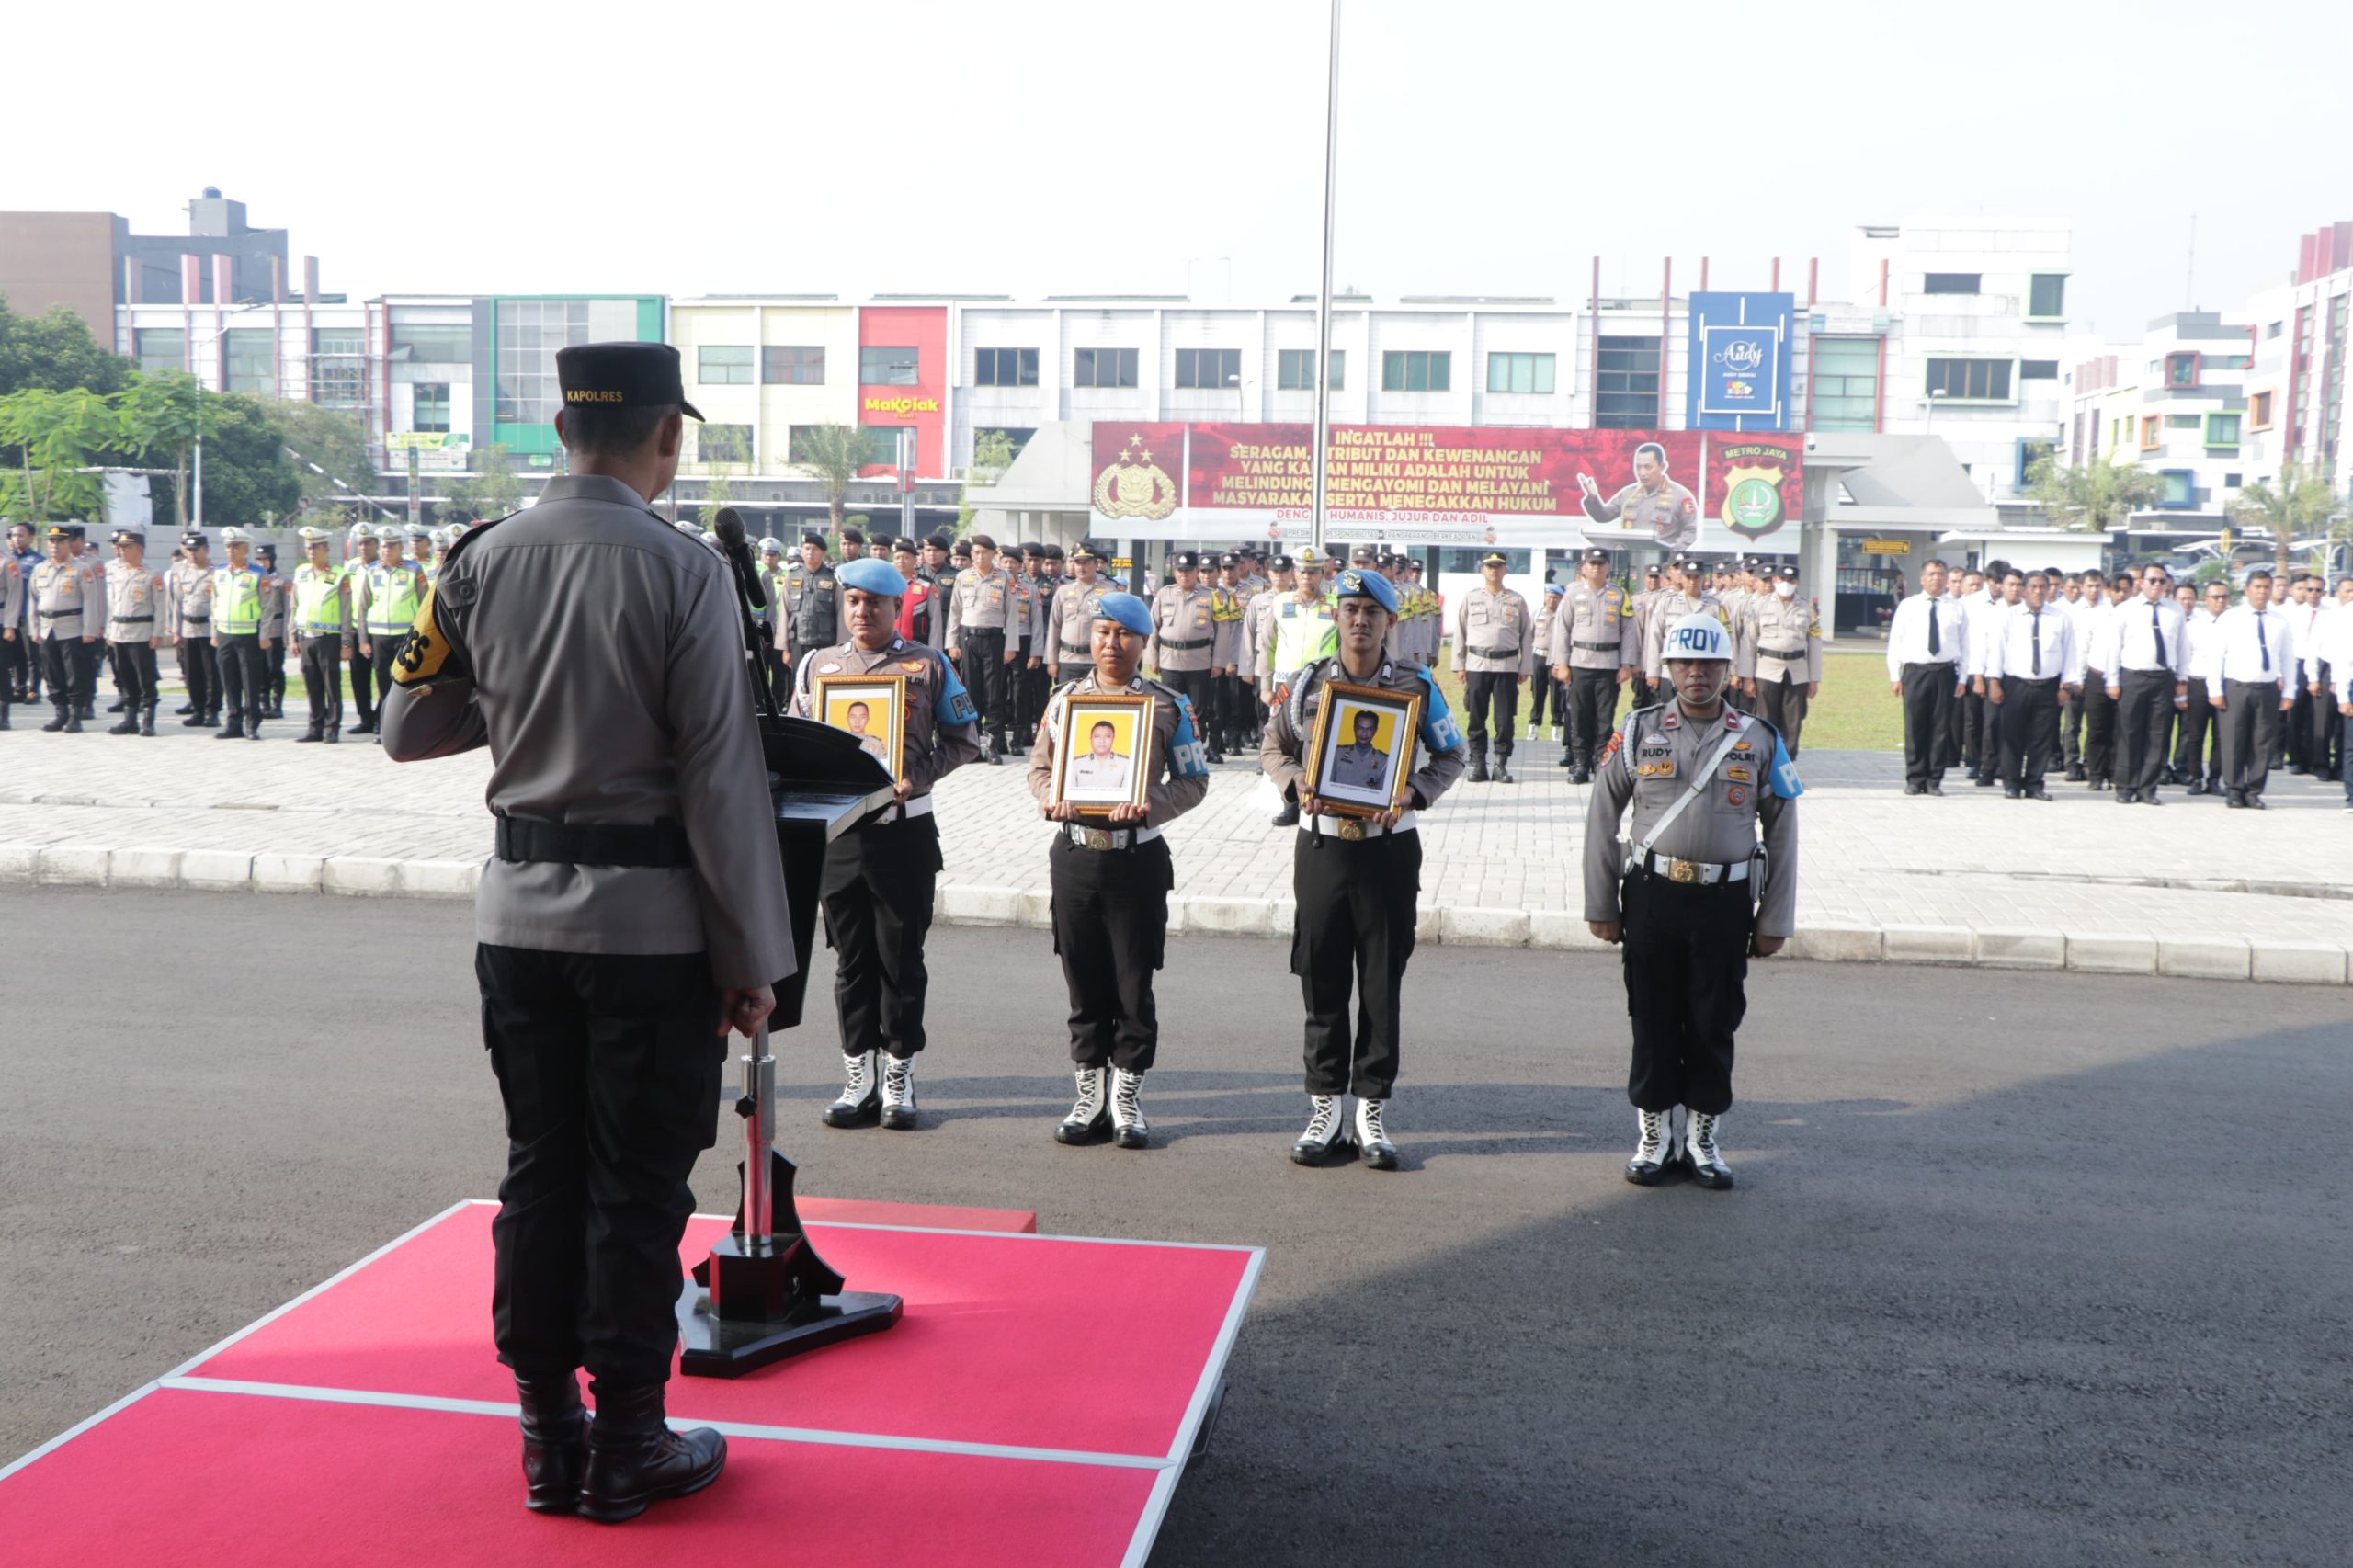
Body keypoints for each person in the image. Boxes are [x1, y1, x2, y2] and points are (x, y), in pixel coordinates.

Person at [381, 343, 786, 1524]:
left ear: (562, 425)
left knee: (538, 1173)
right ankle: (627, 1444)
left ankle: (548, 1439)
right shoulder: (685, 570)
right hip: (652, 934)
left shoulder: (478, 559)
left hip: (519, 923)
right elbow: (721, 778)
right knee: (637, 1186)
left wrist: (521, 702)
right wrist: (753, 957)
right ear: (670, 436)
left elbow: (409, 725)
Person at [1260, 566, 1467, 1171]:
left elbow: (1454, 753)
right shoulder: (1306, 685)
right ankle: (1325, 1108)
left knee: (1380, 982)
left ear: (1389, 623)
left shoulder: (1417, 685)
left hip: (1387, 851)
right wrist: (1297, 782)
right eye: (1349, 609)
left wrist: (1417, 794)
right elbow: (1273, 745)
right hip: (1323, 848)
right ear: (1336, 616)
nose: (1359, 620)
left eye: (1371, 612)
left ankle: (1371, 1110)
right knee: (1321, 977)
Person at [1585, 612, 1800, 1190]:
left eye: (1709, 663)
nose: (1697, 673)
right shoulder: (1636, 730)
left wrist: (1775, 918)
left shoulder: (1760, 738)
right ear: (1669, 668)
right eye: (1686, 662)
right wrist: (1601, 903)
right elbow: (1602, 816)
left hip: (1725, 902)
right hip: (1653, 896)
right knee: (1652, 1016)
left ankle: (1703, 1139)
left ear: (1729, 669)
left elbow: (1781, 830)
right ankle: (1654, 1138)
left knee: (1714, 1020)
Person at [792, 555, 981, 1131]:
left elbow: (966, 737)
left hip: (904, 835)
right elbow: (798, 738)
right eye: (852, 600)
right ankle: (858, 1075)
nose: (860, 611)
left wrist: (914, 778)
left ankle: (899, 1073)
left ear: (897, 607)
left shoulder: (928, 667)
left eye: (873, 602)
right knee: (851, 963)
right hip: (842, 837)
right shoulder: (817, 667)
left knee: (901, 960)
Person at [1029, 591, 1211, 1151]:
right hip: (1077, 856)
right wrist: (1049, 798)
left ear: (1143, 642)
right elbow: (1039, 768)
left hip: (1137, 859)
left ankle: (1126, 1096)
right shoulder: (1064, 703)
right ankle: (1089, 1095)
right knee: (1083, 982)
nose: (1111, 643)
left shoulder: (1167, 706)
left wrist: (1150, 804)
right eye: (1102, 632)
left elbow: (1195, 780)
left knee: (1134, 983)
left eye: (1123, 634)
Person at [2192, 568, 2294, 809]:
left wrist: (2289, 691)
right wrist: (2214, 690)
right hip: (2236, 687)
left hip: (2267, 688)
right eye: (2257, 587)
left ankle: (2254, 790)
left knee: (2262, 742)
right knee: (2233, 740)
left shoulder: (2279, 621)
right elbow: (2216, 656)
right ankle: (2234, 789)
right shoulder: (2231, 618)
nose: (2262, 592)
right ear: (2247, 590)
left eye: (2266, 587)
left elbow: (2287, 657)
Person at [1985, 570, 2080, 800]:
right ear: (2025, 590)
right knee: (2012, 735)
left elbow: (2070, 653)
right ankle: (2011, 783)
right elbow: (1997, 650)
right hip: (2016, 684)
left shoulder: (2061, 618)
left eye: (2042, 587)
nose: (2038, 591)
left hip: (2048, 685)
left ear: (2050, 589)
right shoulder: (2009, 616)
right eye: (2033, 587)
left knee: (2042, 736)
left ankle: (2035, 783)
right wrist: (1994, 682)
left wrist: (2066, 686)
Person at [2097, 564, 2188, 804]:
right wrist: (2113, 680)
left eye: (2162, 581)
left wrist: (2182, 678)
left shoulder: (2175, 610)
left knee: (2158, 734)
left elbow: (2182, 647)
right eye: (2152, 580)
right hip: (2133, 677)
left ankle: (2148, 788)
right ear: (2141, 583)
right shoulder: (2126, 610)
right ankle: (2125, 787)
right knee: (2129, 732)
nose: (2157, 585)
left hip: (2163, 678)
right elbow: (2114, 647)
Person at [1884, 559, 1969, 794]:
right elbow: (1896, 641)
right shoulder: (1908, 606)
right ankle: (1915, 778)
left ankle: (1934, 780)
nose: (1936, 578)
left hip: (1945, 672)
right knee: (1915, 726)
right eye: (1931, 574)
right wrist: (1895, 675)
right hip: (1916, 671)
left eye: (1941, 574)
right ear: (1922, 578)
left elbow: (1965, 645)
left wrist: (1963, 678)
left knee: (1941, 728)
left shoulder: (1957, 607)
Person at [1449, 550, 1534, 783]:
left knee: (1505, 719)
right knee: (1476, 717)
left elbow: (1527, 635)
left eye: (1498, 566)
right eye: (1489, 566)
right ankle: (1477, 763)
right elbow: (1460, 631)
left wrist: (1525, 667)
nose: (1494, 570)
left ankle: (1500, 764)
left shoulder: (1516, 599)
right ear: (1482, 570)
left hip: (1506, 667)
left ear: (1505, 570)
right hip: (1477, 665)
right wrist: (1459, 664)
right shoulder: (1471, 597)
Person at [1147, 550, 1229, 764]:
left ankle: (1194, 753)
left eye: (1189, 570)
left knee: (1197, 712)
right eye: (1180, 570)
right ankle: (1169, 752)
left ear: (1196, 572)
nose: (1184, 575)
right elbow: (1153, 628)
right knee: (1170, 708)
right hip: (1169, 660)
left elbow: (1222, 631)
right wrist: (1152, 658)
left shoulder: (1211, 596)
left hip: (1199, 661)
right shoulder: (1164, 594)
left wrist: (1219, 662)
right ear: (1175, 572)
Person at [944, 533, 1020, 762]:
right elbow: (955, 612)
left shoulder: (1004, 578)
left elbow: (1012, 614)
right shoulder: (964, 577)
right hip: (969, 639)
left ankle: (994, 746)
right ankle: (974, 746)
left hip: (994, 639)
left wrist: (1011, 646)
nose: (979, 556)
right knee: (971, 692)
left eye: (984, 552)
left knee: (994, 693)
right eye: (975, 552)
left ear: (993, 554)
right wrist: (952, 643)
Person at [1739, 563, 1824, 755]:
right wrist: (1747, 677)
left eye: (1791, 581)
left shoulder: (1806, 607)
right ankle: (1765, 765)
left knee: (1792, 722)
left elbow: (1815, 643)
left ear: (1797, 582)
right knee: (1765, 720)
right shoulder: (1759, 605)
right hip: (1767, 669)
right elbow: (1749, 642)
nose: (1786, 584)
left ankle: (1788, 767)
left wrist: (1814, 678)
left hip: (1797, 671)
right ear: (1775, 580)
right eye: (1782, 580)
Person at [354, 526, 427, 744]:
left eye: (391, 546)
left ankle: (409, 727)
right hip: (379, 636)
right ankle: (385, 728)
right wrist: (363, 640)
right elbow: (362, 608)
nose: (386, 550)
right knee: (384, 684)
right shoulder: (372, 570)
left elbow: (425, 605)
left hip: (406, 637)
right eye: (384, 546)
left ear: (400, 547)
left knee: (405, 683)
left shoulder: (414, 570)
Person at [30, 524, 101, 732]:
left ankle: (76, 715)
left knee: (75, 674)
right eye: (51, 541)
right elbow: (33, 602)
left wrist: (90, 630)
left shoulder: (81, 569)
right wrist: (34, 629)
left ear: (69, 544)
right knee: (52, 673)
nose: (55, 545)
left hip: (72, 628)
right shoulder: (40, 569)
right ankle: (60, 713)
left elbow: (91, 601)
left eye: (60, 541)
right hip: (47, 628)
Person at [1577, 441, 1699, 553]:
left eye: (1647, 467)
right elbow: (1603, 516)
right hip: (1629, 559)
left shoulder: (1681, 496)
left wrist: (1674, 552)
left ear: (1662, 466)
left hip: (1661, 565)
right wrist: (1593, 497)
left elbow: (1691, 530)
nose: (1642, 473)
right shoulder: (1628, 493)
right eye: (1638, 467)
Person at [290, 526, 350, 743]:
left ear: (326, 549)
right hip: (306, 636)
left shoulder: (339, 576)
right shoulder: (301, 572)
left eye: (316, 547)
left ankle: (332, 727)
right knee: (312, 685)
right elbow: (294, 606)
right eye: (308, 548)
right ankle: (314, 727)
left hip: (328, 638)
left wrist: (346, 642)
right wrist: (292, 636)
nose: (312, 552)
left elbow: (345, 612)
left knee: (331, 685)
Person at [102, 528, 165, 736]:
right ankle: (129, 720)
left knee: (145, 677)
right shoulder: (116, 573)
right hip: (119, 631)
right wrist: (110, 632)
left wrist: (157, 634)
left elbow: (160, 607)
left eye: (127, 547)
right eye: (120, 547)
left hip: (141, 633)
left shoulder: (151, 574)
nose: (122, 551)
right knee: (125, 676)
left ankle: (148, 720)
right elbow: (113, 605)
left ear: (139, 549)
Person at [776, 529, 844, 678]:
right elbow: (784, 614)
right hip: (798, 643)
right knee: (800, 683)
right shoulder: (791, 578)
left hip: (826, 643)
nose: (810, 553)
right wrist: (784, 648)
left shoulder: (833, 580)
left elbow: (841, 614)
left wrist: (841, 648)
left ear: (823, 553)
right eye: (807, 548)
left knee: (823, 682)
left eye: (815, 549)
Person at [168, 531, 219, 728]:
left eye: (196, 550)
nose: (192, 554)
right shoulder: (182, 573)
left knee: (211, 673)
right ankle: (197, 710)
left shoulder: (216, 573)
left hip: (208, 629)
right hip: (188, 629)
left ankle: (212, 711)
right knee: (192, 672)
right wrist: (175, 631)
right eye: (188, 550)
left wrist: (217, 632)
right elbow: (177, 604)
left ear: (206, 550)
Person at [256, 542, 291, 720]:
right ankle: (264, 704)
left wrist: (287, 635)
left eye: (265, 559)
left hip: (276, 630)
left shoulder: (282, 581)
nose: (262, 563)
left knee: (274, 668)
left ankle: (277, 704)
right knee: (260, 669)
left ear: (272, 560)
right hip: (258, 630)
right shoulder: (253, 579)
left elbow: (288, 610)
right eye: (259, 560)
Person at [1327, 709, 1389, 790]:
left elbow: (1382, 795)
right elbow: (1327, 785)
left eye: (1369, 729)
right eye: (1360, 728)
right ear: (1354, 728)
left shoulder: (1384, 761)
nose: (1364, 733)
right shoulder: (1337, 753)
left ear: (1375, 731)